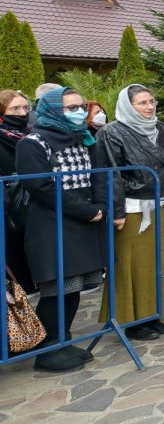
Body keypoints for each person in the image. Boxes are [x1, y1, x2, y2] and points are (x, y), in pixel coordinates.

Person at [15, 88, 108, 371]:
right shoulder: (33, 142)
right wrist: (87, 210)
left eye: (80, 106)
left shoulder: (83, 138)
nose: (78, 111)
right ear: (53, 109)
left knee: (74, 288)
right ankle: (47, 350)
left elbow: (99, 176)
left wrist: (101, 206)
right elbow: (41, 187)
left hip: (83, 224)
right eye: (70, 107)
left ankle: (63, 341)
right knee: (57, 289)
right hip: (53, 225)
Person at [96, 85, 164, 340]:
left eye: (152, 101)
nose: (149, 107)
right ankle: (132, 321)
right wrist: (117, 211)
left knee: (157, 261)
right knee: (131, 264)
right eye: (142, 103)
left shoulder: (159, 128)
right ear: (129, 106)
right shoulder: (111, 133)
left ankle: (153, 313)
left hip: (161, 202)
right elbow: (110, 175)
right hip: (132, 207)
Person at [0, 90, 33, 293]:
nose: (21, 113)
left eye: (24, 108)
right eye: (14, 109)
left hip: (33, 203)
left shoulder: (32, 134)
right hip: (8, 206)